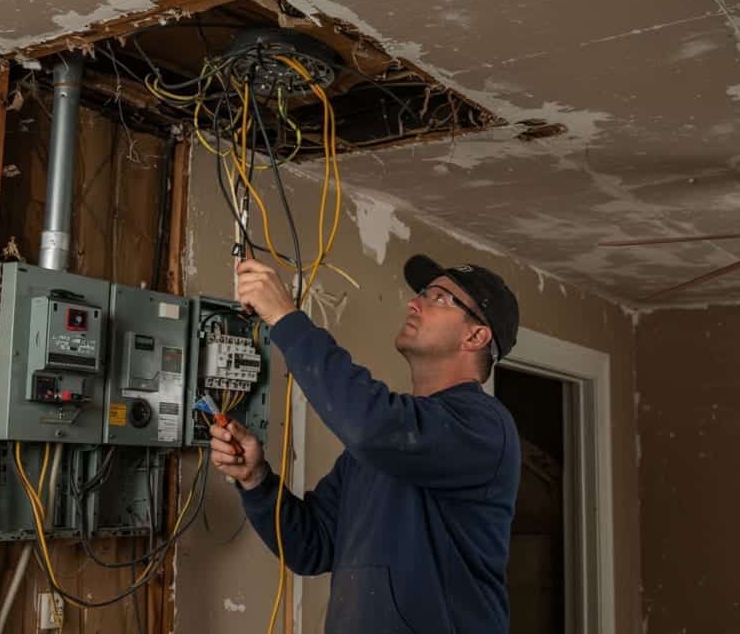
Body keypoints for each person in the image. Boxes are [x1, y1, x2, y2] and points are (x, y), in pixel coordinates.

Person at [209, 253, 522, 634]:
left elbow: (373, 427)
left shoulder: (483, 427)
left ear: (476, 336)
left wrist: (287, 320)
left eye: (439, 297)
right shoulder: (388, 440)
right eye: (422, 292)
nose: (414, 301)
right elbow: (312, 545)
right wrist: (256, 479)